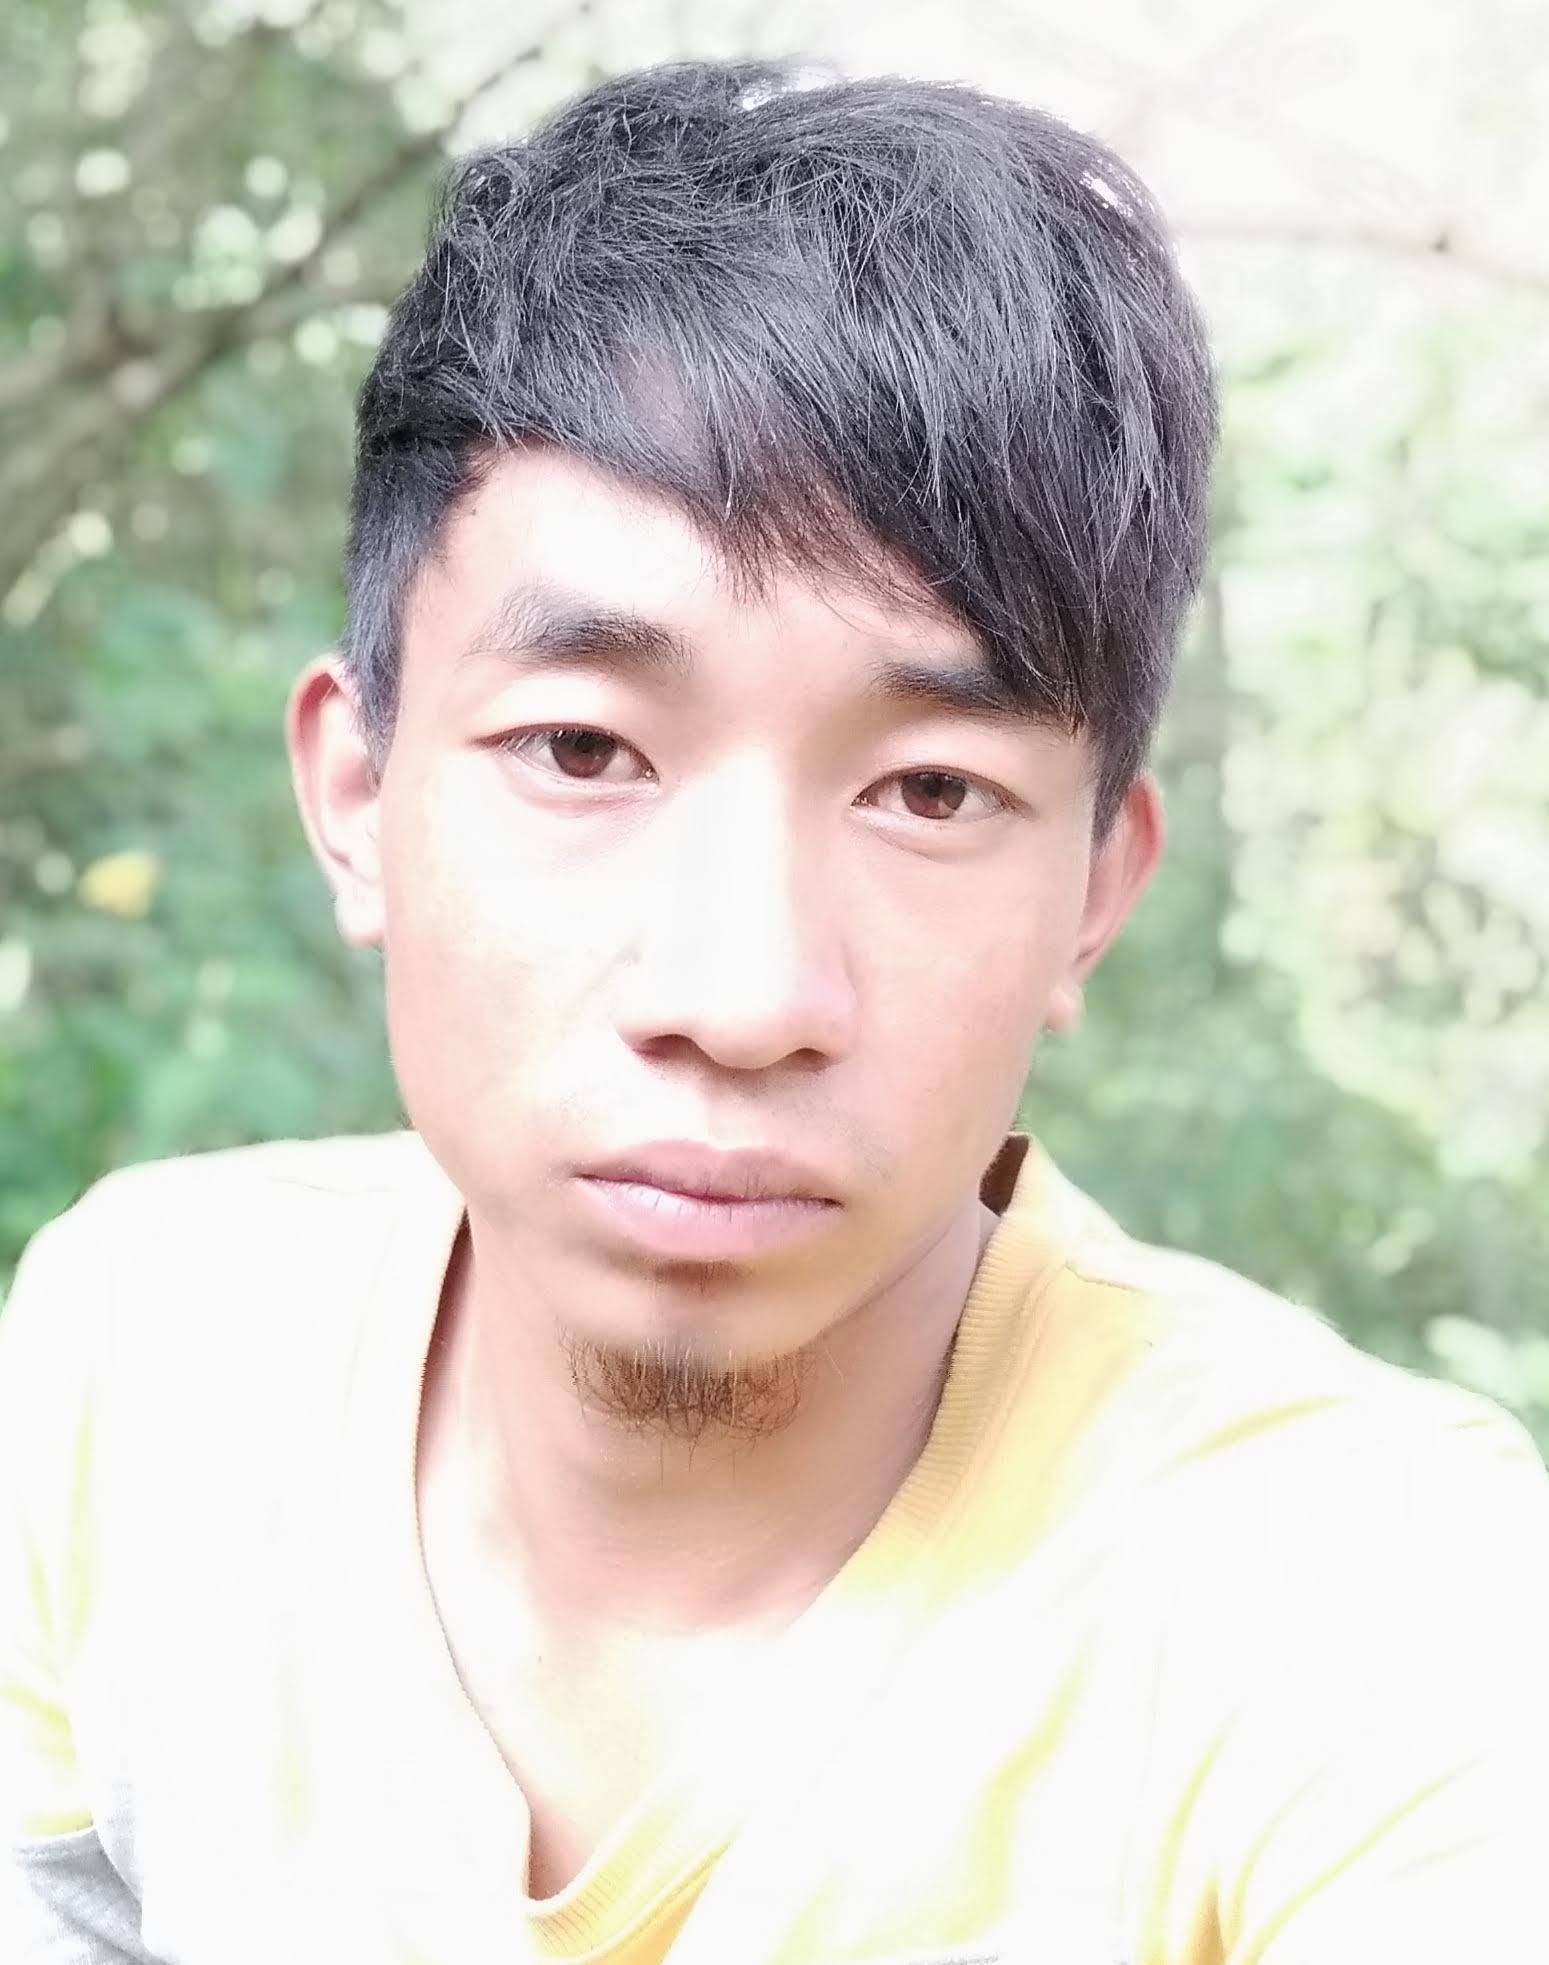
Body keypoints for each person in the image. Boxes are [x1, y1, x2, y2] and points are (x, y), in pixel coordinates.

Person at [2, 55, 1545, 1965]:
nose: (740, 996)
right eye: (581, 747)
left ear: (1093, 892)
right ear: (355, 795)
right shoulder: (145, 1356)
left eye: (929, 791)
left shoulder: (1364, 1603)